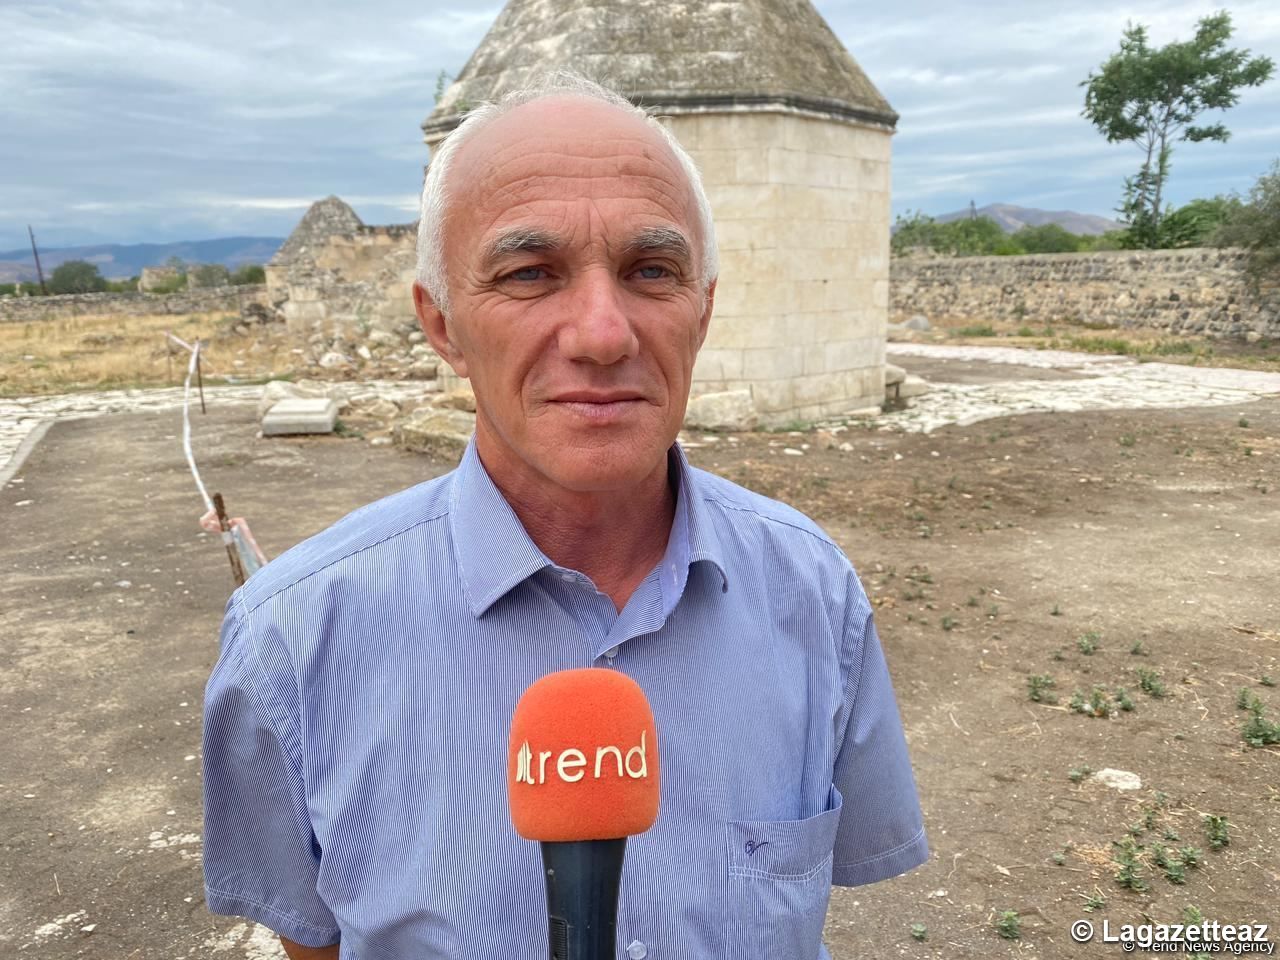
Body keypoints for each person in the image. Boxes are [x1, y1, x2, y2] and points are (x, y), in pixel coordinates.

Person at [202, 74, 927, 960]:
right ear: (442, 324)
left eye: (650, 271)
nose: (601, 333)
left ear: (703, 309)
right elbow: (310, 942)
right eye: (529, 274)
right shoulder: (290, 641)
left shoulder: (814, 593)